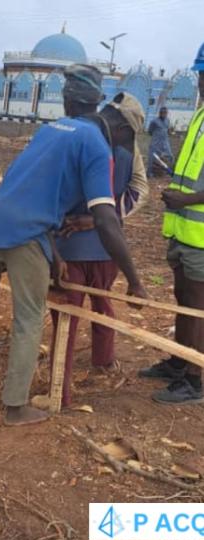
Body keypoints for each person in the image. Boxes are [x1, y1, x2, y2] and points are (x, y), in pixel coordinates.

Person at [0, 64, 147, 427]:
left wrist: (55, 255)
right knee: (28, 319)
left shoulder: (50, 130)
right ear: (121, 128)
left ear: (69, 101)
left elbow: (29, 191)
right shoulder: (97, 147)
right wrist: (134, 279)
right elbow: (105, 219)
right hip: (26, 236)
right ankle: (15, 408)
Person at [48, 93, 149, 406]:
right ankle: (102, 361)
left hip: (71, 249)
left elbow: (50, 191)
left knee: (66, 319)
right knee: (101, 303)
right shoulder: (123, 151)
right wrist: (106, 218)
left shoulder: (69, 138)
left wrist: (93, 219)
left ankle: (60, 391)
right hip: (107, 249)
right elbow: (137, 191)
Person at [139, 44, 204, 404]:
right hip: (183, 230)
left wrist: (186, 200)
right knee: (183, 299)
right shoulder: (200, 116)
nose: (201, 82)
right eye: (200, 74)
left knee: (197, 307)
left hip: (201, 236)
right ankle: (180, 362)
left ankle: (194, 379)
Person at [147, 106, 173, 177]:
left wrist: (169, 132)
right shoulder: (154, 122)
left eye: (165, 113)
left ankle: (167, 171)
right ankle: (149, 173)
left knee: (170, 156)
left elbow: (167, 130)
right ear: (160, 113)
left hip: (165, 142)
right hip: (156, 143)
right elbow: (150, 132)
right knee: (152, 157)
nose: (164, 114)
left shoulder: (167, 121)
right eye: (163, 113)